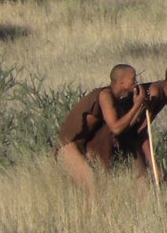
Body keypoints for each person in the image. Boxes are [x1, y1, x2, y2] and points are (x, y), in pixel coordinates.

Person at [89, 62, 167, 181]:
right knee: (140, 176)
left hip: (131, 133)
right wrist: (153, 162)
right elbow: (142, 130)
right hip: (123, 133)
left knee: (139, 177)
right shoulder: (155, 92)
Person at [55, 64, 147, 195]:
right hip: (69, 145)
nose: (136, 82)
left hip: (85, 146)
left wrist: (139, 109)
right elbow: (116, 127)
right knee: (92, 186)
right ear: (121, 81)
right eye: (133, 78)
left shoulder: (117, 100)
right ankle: (88, 215)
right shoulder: (105, 95)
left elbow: (124, 127)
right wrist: (136, 105)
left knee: (99, 186)